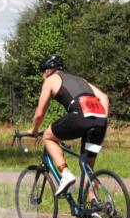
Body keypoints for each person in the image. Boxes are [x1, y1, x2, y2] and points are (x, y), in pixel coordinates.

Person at [29, 55, 110, 196]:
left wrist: (34, 130)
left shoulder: (50, 80)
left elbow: (40, 113)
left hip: (80, 116)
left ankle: (65, 173)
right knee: (87, 169)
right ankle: (95, 211)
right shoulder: (81, 80)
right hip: (101, 121)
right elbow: (104, 98)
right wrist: (101, 118)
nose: (43, 76)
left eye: (43, 72)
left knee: (48, 137)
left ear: (48, 71)